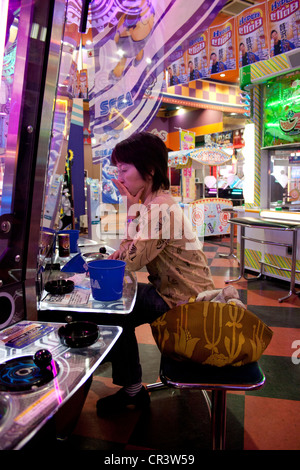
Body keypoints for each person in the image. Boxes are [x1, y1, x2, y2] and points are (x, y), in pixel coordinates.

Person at [96, 132, 215, 416]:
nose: (119, 176)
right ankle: (132, 386)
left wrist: (127, 210)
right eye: (117, 169)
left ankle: (133, 390)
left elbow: (130, 260)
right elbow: (130, 249)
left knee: (112, 308)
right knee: (117, 304)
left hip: (185, 302)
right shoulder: (154, 203)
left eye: (124, 169)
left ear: (149, 170)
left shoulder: (160, 208)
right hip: (178, 292)